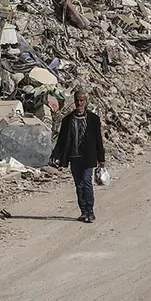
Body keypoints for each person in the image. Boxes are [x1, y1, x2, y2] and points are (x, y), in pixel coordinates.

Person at [50, 88, 106, 223]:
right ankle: (83, 211)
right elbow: (62, 140)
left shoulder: (93, 119)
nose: (79, 103)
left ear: (86, 102)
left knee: (87, 182)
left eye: (82, 100)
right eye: (77, 101)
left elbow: (98, 139)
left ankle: (90, 211)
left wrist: (101, 159)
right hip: (74, 157)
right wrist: (55, 155)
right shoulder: (68, 120)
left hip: (88, 157)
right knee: (78, 185)